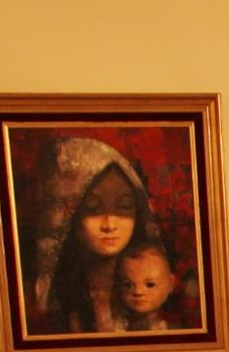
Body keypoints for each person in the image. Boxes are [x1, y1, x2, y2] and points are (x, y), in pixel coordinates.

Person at [23, 137, 159, 334]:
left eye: (124, 207)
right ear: (68, 216)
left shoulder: (150, 288)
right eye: (93, 208)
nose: (110, 225)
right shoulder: (54, 299)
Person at [115, 239, 180, 330]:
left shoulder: (173, 324)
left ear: (170, 284)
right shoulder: (117, 325)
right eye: (128, 285)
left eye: (150, 285)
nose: (138, 291)